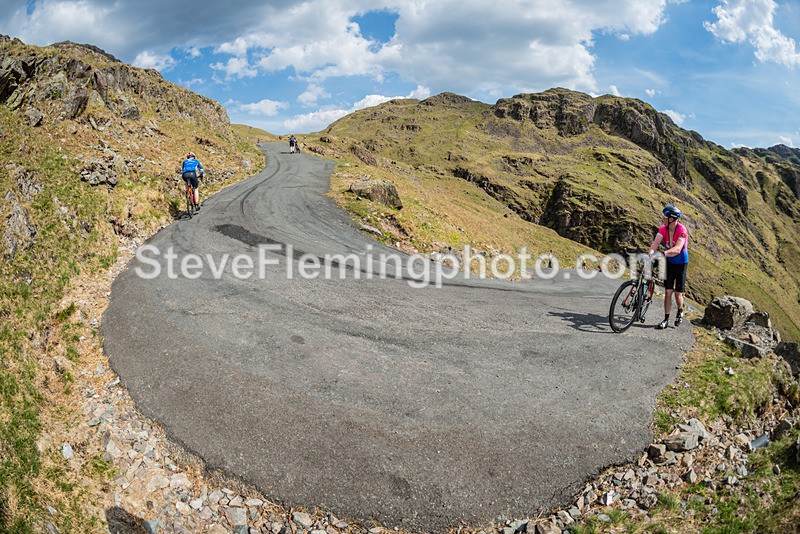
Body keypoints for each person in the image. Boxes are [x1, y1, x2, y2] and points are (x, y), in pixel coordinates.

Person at [647, 204, 689, 329]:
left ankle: (680, 310)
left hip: (681, 264)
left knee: (678, 294)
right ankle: (665, 320)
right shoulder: (662, 229)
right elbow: (655, 244)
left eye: (665, 217)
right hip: (669, 264)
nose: (663, 219)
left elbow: (677, 249)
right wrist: (650, 254)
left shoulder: (682, 230)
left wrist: (661, 254)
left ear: (671, 219)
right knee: (668, 292)